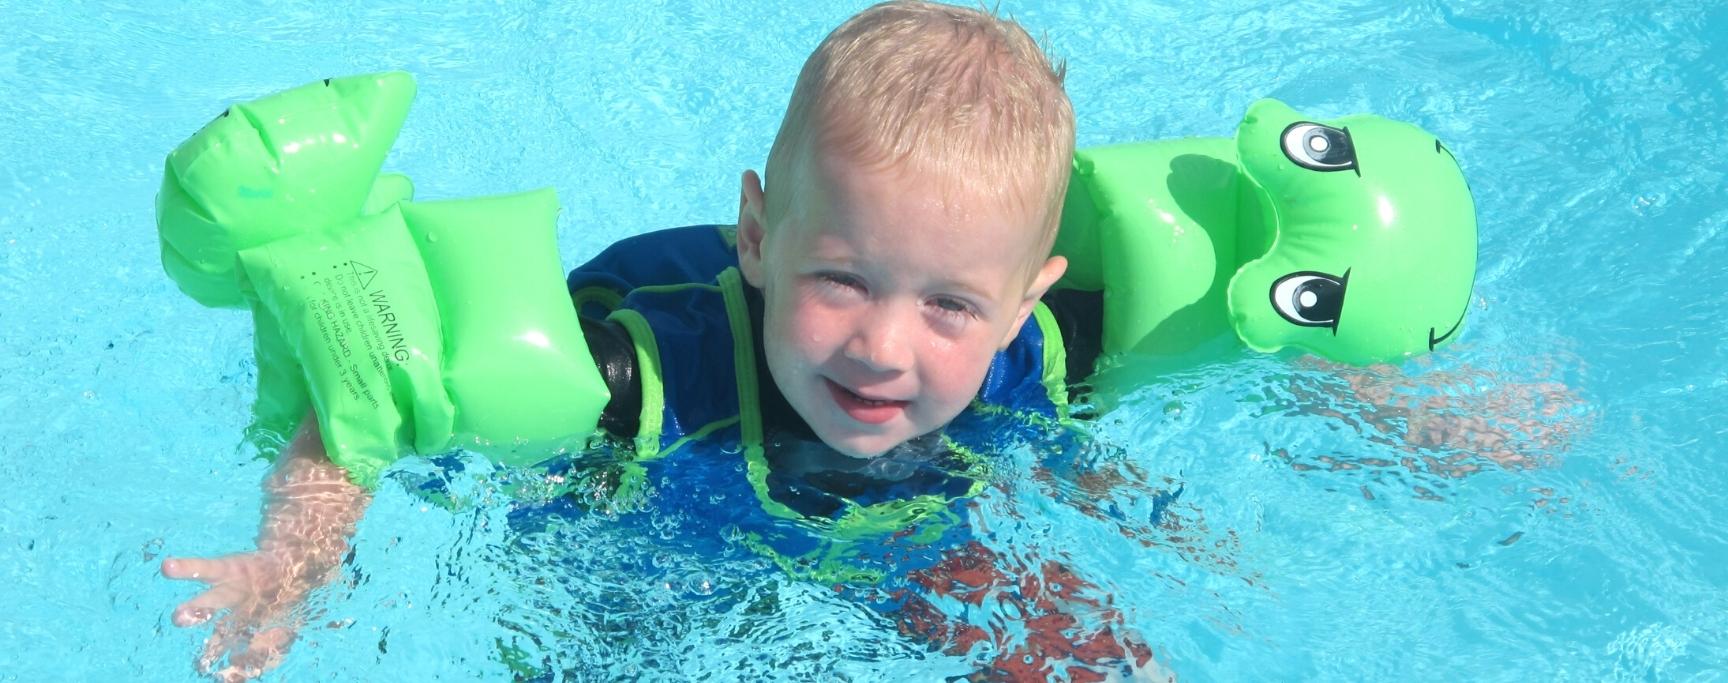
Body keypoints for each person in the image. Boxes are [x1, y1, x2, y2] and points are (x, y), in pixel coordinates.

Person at [162, 2, 1131, 680]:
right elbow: (375, 399)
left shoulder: (1035, 353)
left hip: (868, 521)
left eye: (950, 307)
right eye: (841, 278)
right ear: (756, 236)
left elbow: (1084, 456)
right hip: (644, 528)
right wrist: (291, 557)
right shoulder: (636, 372)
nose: (884, 344)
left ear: (1018, 303)